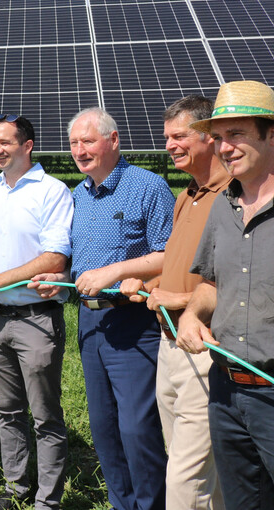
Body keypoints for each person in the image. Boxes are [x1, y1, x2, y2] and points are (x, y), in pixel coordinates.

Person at [0, 114, 73, 510]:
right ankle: (16, 487)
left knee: (45, 417)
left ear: (28, 145)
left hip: (36, 320)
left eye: (5, 142)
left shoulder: (52, 191)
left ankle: (47, 501)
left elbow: (54, 256)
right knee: (8, 412)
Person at [121, 96, 230, 510]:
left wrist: (181, 299)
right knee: (203, 471)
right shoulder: (188, 194)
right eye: (167, 137)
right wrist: (149, 283)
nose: (169, 144)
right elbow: (183, 262)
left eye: (179, 135)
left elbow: (240, 282)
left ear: (208, 136)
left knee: (185, 477)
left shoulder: (232, 196)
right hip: (169, 343)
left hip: (205, 345)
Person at [177, 80, 274, 509]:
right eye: (218, 138)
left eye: (236, 134)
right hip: (226, 392)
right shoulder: (224, 205)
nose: (224, 147)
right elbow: (210, 285)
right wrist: (190, 316)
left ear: (273, 133)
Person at [67, 107, 173, 510]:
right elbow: (74, 260)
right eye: (74, 143)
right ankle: (121, 503)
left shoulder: (148, 187)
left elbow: (169, 255)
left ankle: (152, 504)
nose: (79, 150)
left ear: (113, 140)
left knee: (137, 429)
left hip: (133, 322)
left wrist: (114, 272)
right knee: (104, 427)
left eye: (88, 141)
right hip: (90, 323)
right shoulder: (78, 194)